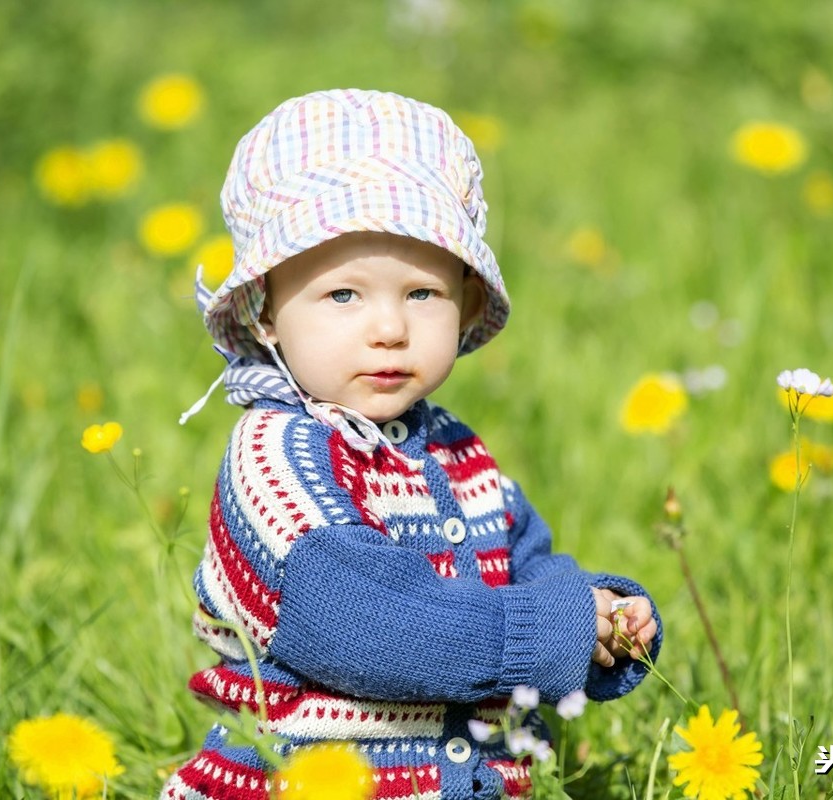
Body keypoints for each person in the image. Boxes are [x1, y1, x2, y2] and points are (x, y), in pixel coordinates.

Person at [164, 88, 661, 800]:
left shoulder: (459, 456)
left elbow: (529, 564)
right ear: (266, 312)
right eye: (344, 295)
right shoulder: (276, 460)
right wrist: (551, 631)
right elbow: (374, 624)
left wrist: (597, 613)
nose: (390, 328)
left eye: (422, 293)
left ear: (465, 300)